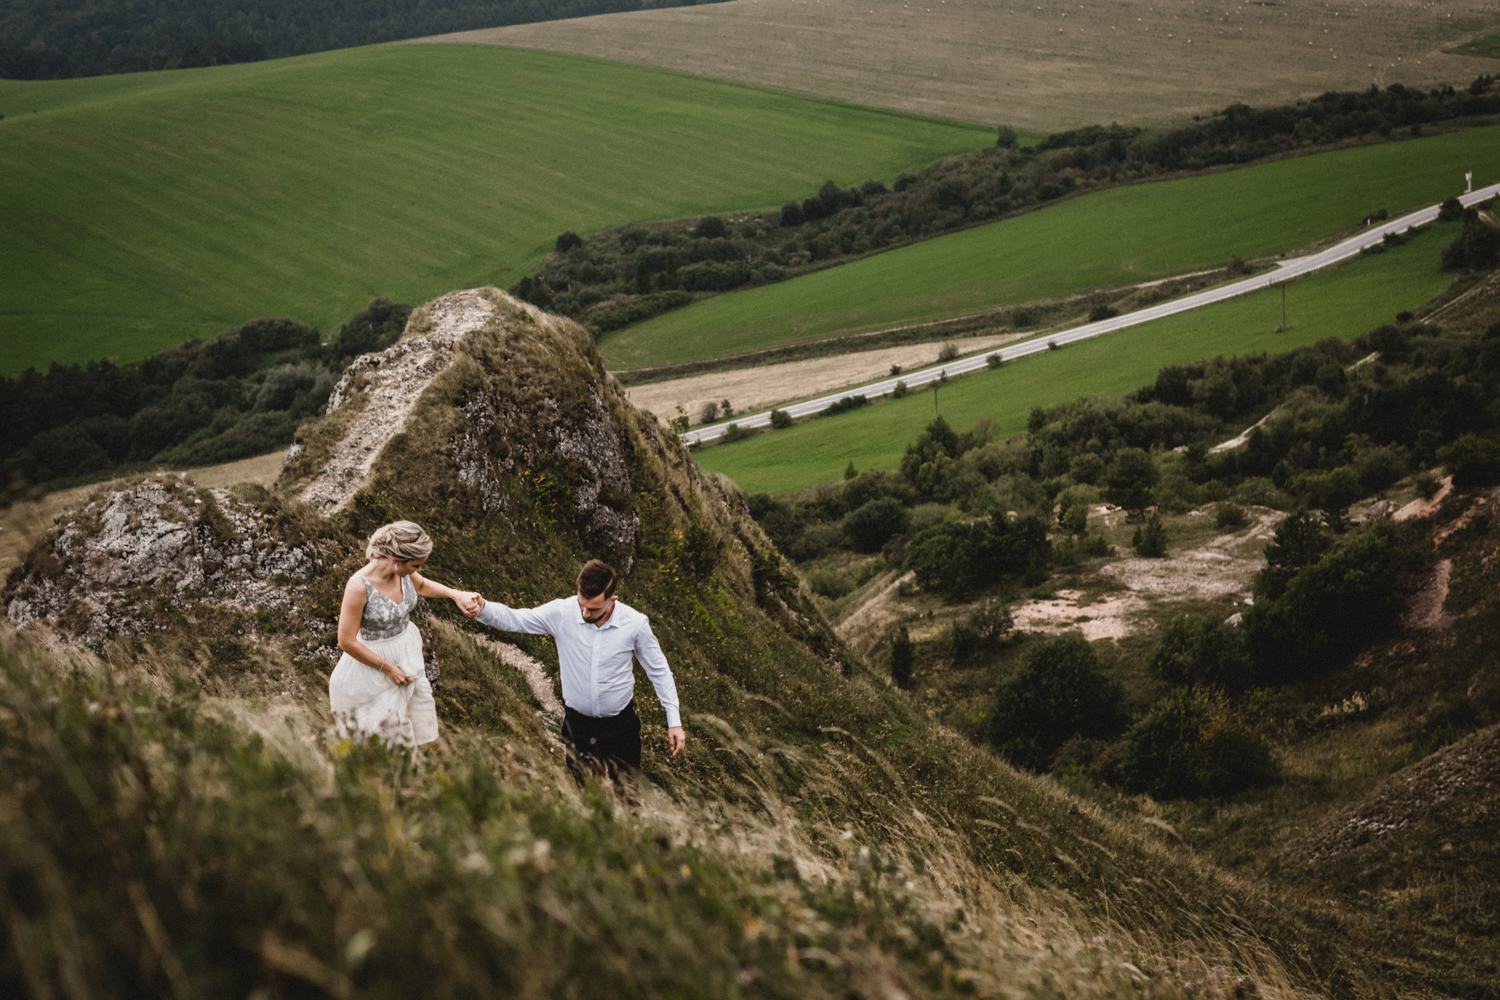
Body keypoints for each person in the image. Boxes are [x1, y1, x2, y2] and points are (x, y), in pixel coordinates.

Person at [470, 559, 685, 776]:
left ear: (612, 600)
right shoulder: (562, 612)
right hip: (578, 727)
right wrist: (483, 608)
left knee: (628, 800)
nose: (584, 613)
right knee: (588, 799)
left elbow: (659, 671)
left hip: (621, 728)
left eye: (593, 609)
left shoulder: (635, 624)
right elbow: (516, 619)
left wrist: (673, 720)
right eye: (581, 604)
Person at [329, 521, 481, 747]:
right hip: (373, 668)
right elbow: (346, 641)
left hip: (408, 654)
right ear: (396, 561)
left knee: (425, 730)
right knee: (391, 745)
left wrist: (455, 594)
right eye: (416, 565)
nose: (418, 570)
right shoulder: (359, 586)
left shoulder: (404, 573)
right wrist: (387, 667)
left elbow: (420, 586)